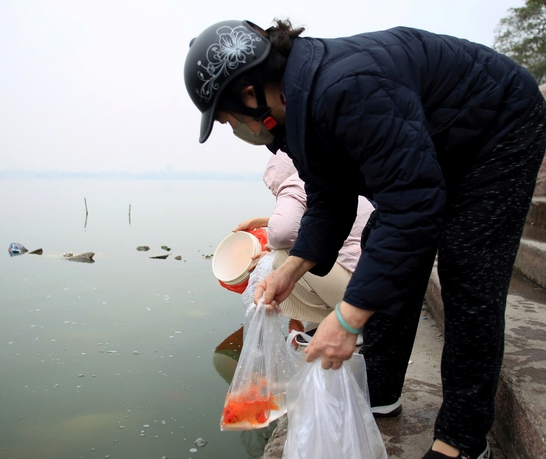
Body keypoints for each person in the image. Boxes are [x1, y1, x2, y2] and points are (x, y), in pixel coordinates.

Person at [184, 19, 546, 459]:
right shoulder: (295, 113)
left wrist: (349, 319)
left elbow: (412, 205)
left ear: (249, 93)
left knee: (467, 269)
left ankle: (462, 441)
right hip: (439, 142)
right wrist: (293, 271)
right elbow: (328, 201)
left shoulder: (344, 88)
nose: (234, 130)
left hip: (498, 125)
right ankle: (380, 386)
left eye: (226, 120)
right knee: (381, 239)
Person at [234, 150, 375, 340]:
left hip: (363, 295)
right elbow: (316, 222)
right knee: (293, 250)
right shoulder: (330, 176)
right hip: (379, 281)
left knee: (283, 257)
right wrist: (265, 221)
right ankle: (345, 320)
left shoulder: (295, 183)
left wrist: (270, 252)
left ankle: (351, 324)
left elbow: (283, 234)